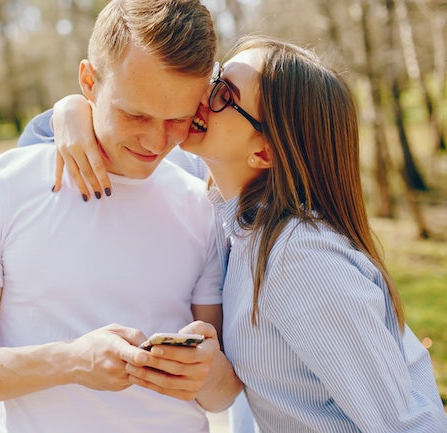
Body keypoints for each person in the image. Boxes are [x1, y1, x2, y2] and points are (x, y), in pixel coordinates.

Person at [22, 36, 447, 432]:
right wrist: (71, 111)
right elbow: (53, 140)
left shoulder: (301, 257)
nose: (203, 96)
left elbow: (408, 424)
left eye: (225, 94)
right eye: (217, 78)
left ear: (263, 152)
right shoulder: (228, 204)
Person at [0, 1, 240, 433]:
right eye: (135, 114)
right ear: (88, 81)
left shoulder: (199, 205)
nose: (155, 141)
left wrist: (208, 372)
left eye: (177, 120)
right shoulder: (1, 188)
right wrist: (70, 361)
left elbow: (219, 395)